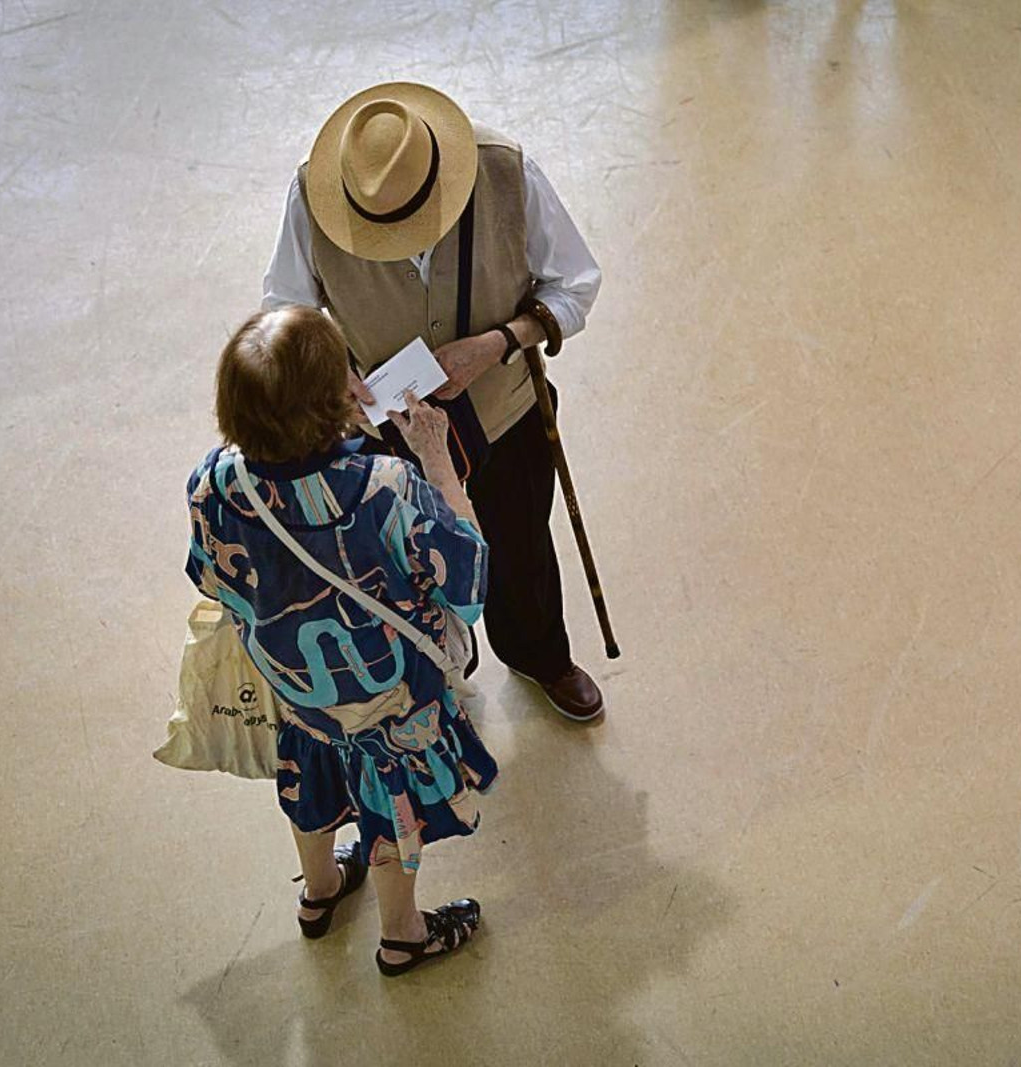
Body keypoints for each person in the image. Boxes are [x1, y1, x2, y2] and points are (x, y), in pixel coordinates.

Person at [262, 81, 606, 722]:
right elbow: (285, 308)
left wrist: (500, 342)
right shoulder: (312, 198)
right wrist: (332, 373)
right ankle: (438, 669)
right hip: (389, 430)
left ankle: (536, 652)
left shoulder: (506, 171)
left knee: (521, 540)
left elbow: (576, 285)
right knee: (403, 559)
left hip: (506, 408)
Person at [185, 305, 494, 975]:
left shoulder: (214, 483)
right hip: (393, 705)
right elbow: (468, 581)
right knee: (391, 805)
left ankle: (320, 890)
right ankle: (403, 934)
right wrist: (437, 460)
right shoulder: (385, 489)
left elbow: (209, 577)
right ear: (337, 400)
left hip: (298, 694)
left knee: (312, 779)